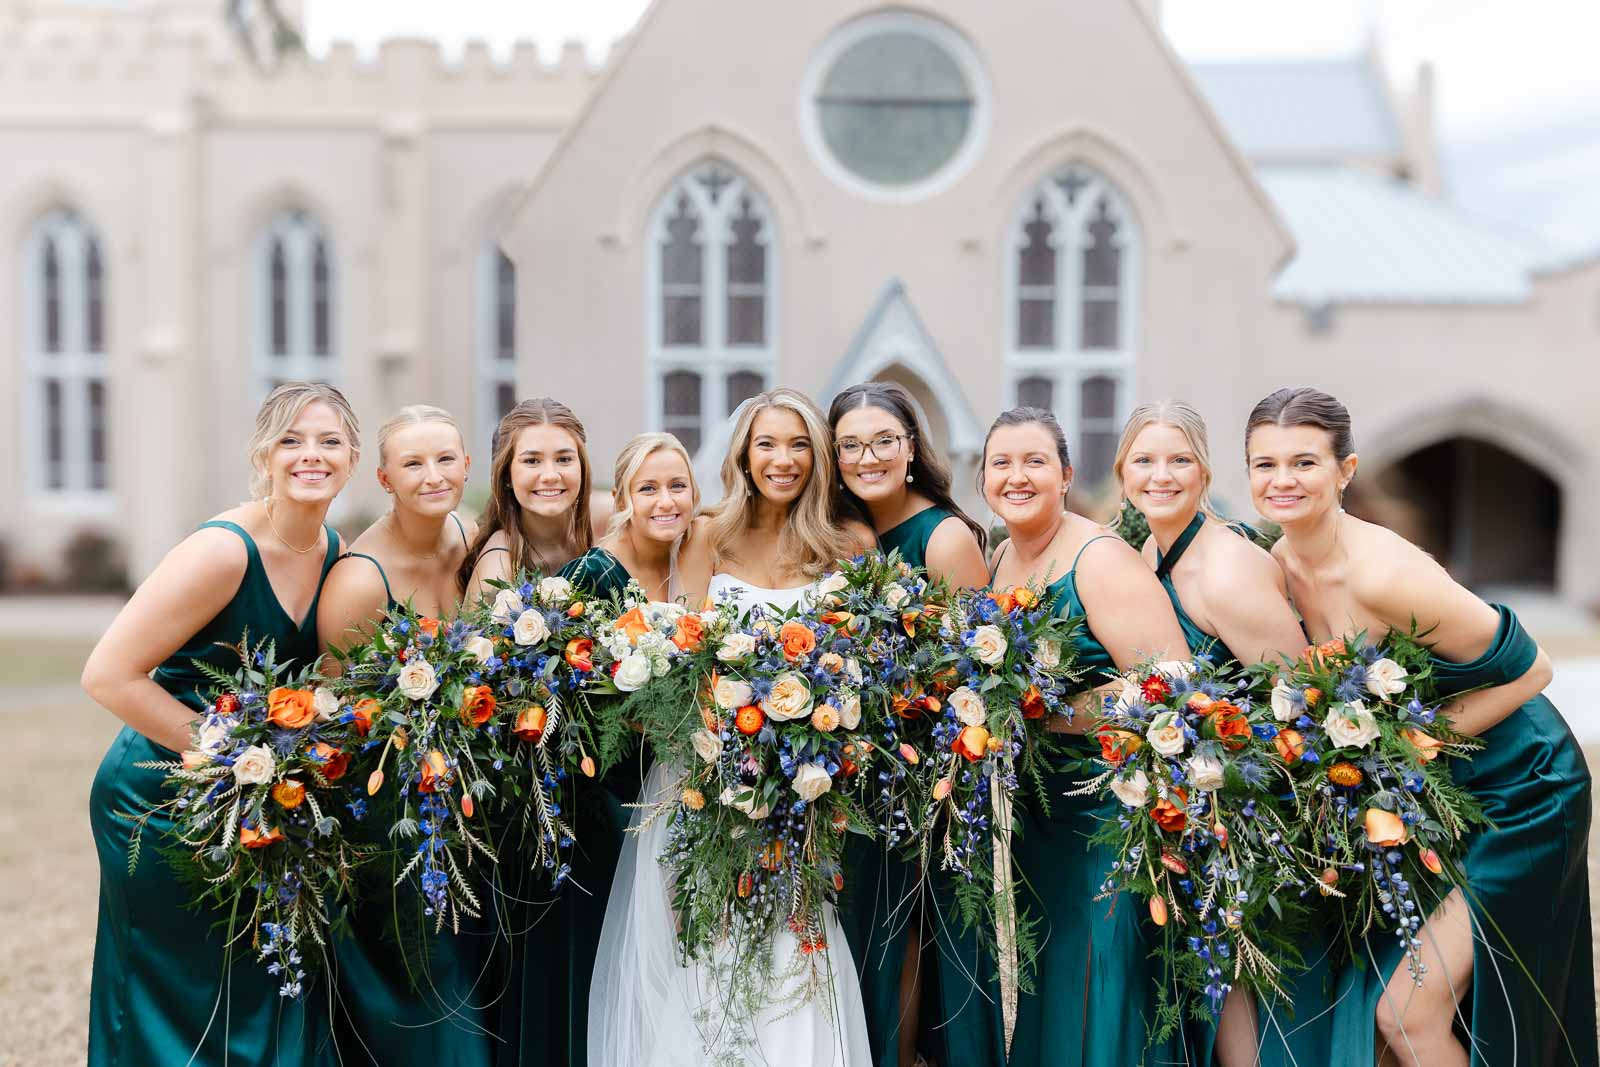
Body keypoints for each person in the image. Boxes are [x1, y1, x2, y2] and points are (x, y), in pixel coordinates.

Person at [1245, 387, 1594, 1067]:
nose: (1282, 480)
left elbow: (1534, 669)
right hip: (1430, 801)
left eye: (1304, 462)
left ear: (1345, 469)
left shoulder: (1382, 573)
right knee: (1378, 1020)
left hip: (1523, 792)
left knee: (1408, 1011)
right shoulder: (1277, 567)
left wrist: (1412, 744)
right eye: (1265, 464)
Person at [592, 388, 876, 1066]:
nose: (783, 459)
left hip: (812, 787)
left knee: (801, 931)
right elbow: (686, 655)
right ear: (743, 453)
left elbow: (867, 663)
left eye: (799, 443)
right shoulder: (707, 534)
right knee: (717, 939)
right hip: (716, 783)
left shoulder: (849, 542)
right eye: (768, 443)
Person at [83, 382, 357, 1065]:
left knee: (253, 990)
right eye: (292, 440)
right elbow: (108, 674)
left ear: (354, 456)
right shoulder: (223, 551)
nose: (310, 455)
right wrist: (240, 758)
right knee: (175, 998)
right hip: (159, 796)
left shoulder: (333, 548)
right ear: (263, 453)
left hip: (255, 804)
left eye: (328, 441)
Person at [980, 406, 1194, 1067]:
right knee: (1052, 984)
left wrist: (1045, 710)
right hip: (1039, 818)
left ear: (1067, 474)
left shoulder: (1098, 558)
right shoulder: (999, 559)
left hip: (1104, 814)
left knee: (1100, 981)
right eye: (1001, 463)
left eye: (1035, 461)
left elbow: (1171, 682)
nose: (1017, 476)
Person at [1111, 399, 1307, 1065]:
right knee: (1210, 979)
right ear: (1121, 473)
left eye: (1179, 459)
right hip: (1190, 798)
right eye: (1145, 459)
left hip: (1248, 799)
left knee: (1236, 979)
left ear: (1204, 471)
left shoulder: (1223, 567)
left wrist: (1216, 764)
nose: (1160, 475)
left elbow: (1297, 693)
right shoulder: (1146, 550)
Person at [314, 404, 493, 1066]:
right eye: (413, 463)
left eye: (445, 458)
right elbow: (342, 714)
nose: (432, 474)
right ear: (385, 477)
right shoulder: (361, 578)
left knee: (477, 969)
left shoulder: (475, 538)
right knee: (429, 978)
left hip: (472, 799)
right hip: (393, 814)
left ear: (467, 466)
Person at [826, 381, 992, 1066]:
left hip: (914, 774)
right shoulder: (833, 528)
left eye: (883, 440)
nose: (868, 456)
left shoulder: (944, 535)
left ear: (912, 447)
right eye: (851, 445)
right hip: (839, 767)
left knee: (899, 934)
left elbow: (978, 667)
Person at [461, 397, 600, 604]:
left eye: (564, 459)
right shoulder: (496, 570)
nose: (550, 475)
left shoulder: (607, 525)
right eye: (532, 461)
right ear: (507, 475)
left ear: (582, 466)